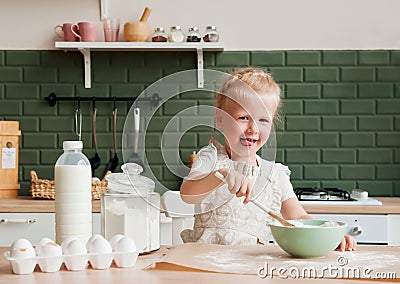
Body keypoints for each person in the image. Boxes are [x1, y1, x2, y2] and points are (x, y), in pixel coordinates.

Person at [180, 67, 356, 251]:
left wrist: (328, 236)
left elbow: (298, 217)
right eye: (243, 118)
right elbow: (188, 194)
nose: (253, 129)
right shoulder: (210, 157)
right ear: (221, 119)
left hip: (252, 267)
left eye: (263, 120)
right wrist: (221, 174)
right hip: (206, 264)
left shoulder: (274, 174)